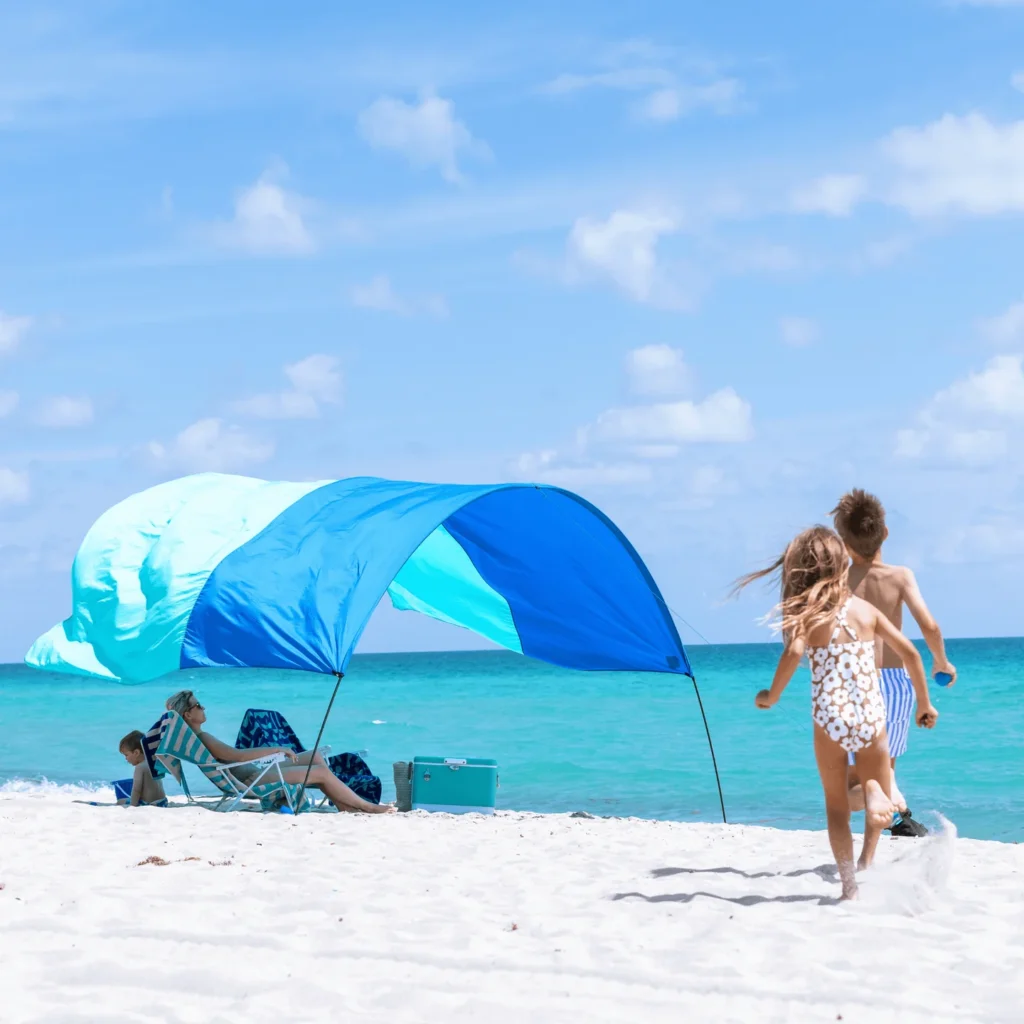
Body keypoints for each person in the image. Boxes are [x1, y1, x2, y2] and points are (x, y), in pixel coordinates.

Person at [734, 526, 938, 901]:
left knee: (836, 808)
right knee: (874, 779)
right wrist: (924, 703)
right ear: (843, 565)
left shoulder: (806, 616)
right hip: (872, 715)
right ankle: (873, 816)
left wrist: (771, 696)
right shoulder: (866, 611)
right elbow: (910, 653)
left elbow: (793, 654)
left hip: (829, 718)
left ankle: (849, 889)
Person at [831, 489, 956, 837]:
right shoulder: (900, 576)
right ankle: (894, 813)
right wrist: (941, 663)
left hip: (854, 683)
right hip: (896, 684)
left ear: (842, 542)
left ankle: (881, 800)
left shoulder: (838, 581)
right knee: (884, 767)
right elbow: (929, 625)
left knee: (853, 784)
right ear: (885, 532)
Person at [164, 690, 392, 814]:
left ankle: (343, 804)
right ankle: (366, 805)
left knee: (315, 757)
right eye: (197, 705)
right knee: (320, 773)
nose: (202, 708)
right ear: (187, 715)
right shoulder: (203, 738)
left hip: (256, 773)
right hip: (254, 780)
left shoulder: (201, 737)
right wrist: (277, 749)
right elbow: (238, 756)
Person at [118, 730, 168, 807]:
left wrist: (132, 807)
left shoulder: (139, 767)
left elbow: (136, 790)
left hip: (151, 805)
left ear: (136, 753)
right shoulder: (153, 762)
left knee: (120, 801)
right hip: (162, 802)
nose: (126, 759)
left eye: (126, 755)